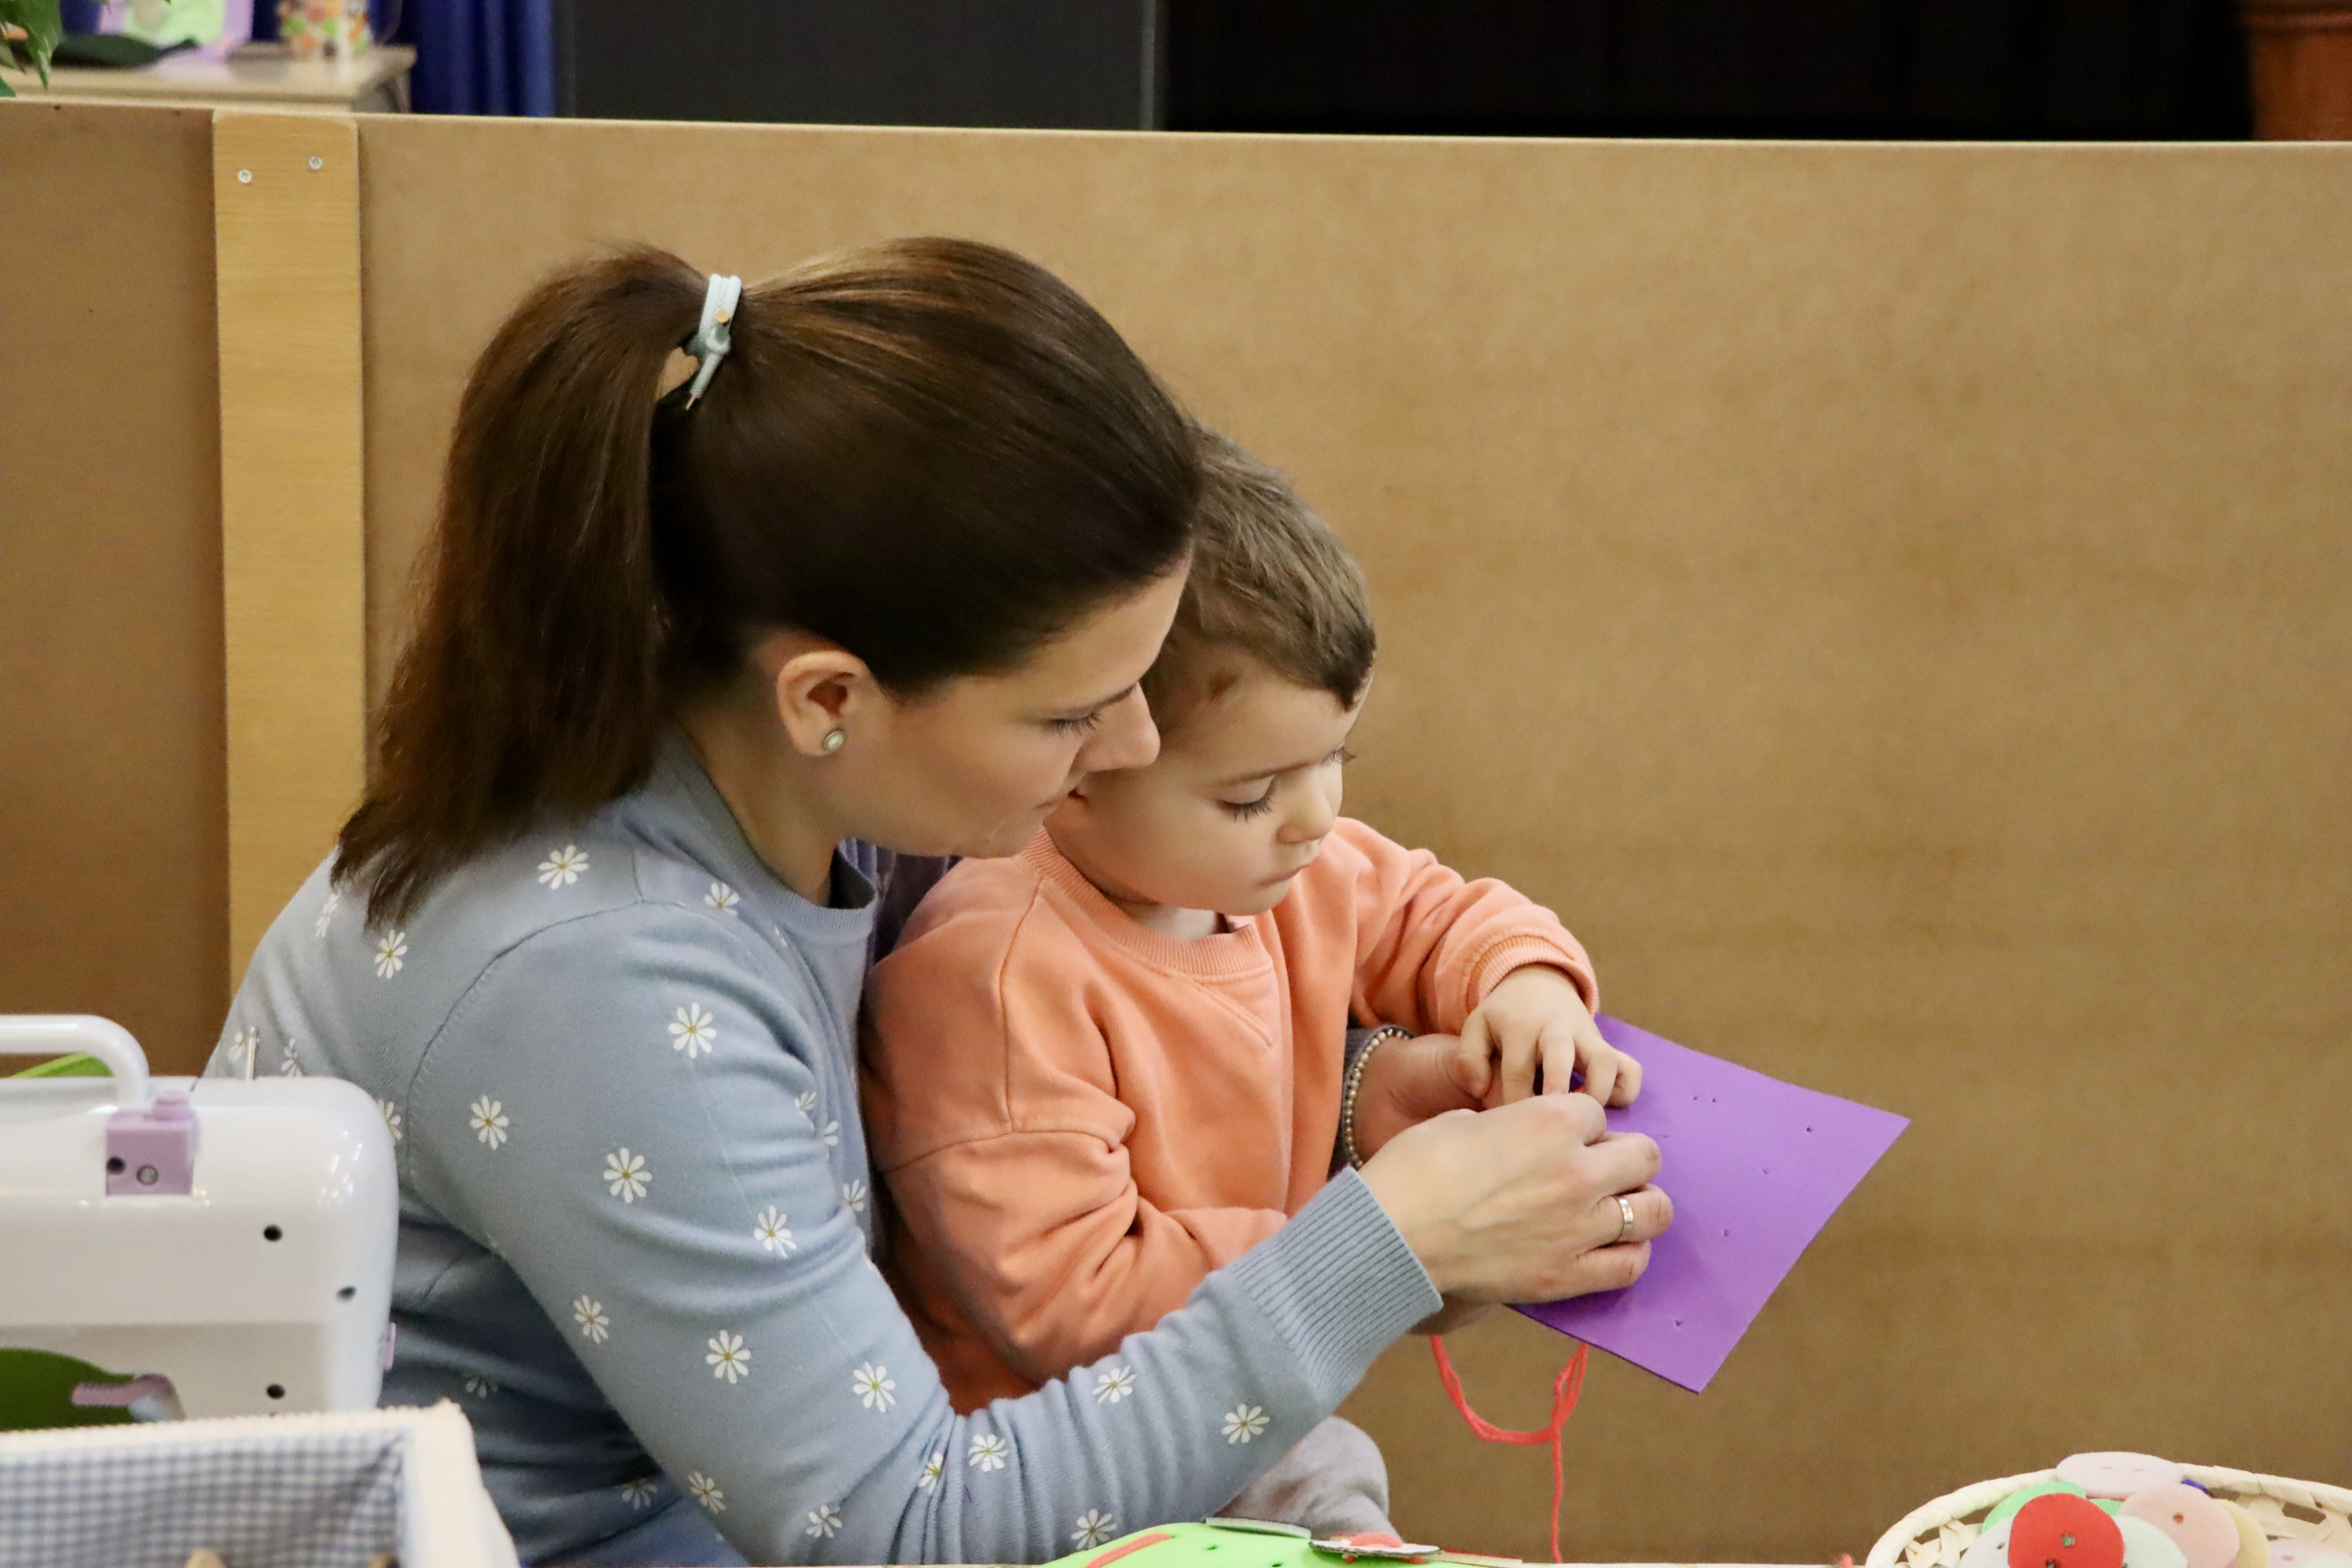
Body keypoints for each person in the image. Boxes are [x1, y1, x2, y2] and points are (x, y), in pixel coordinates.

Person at [205, 238, 1671, 1568]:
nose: (1135, 753)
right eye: (1071, 718)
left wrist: (1361, 1098)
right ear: (830, 697)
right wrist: (1378, 1245)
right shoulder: (598, 980)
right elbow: (900, 1525)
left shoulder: (808, 796)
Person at [861, 428, 1645, 1538]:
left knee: (1334, 1488)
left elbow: (1439, 910)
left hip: (1258, 1408)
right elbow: (1069, 1299)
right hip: (1066, 1467)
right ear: (1078, 763)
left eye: (1338, 760)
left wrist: (1526, 986)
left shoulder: (1292, 867)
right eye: (1254, 792)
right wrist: (1380, 1234)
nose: (1317, 816)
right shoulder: (989, 977)